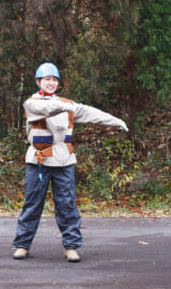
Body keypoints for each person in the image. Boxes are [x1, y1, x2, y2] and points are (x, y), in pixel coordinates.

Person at [11, 62, 128, 263]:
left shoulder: (67, 104)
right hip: (38, 160)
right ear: (39, 81)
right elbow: (46, 108)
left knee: (66, 205)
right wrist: (65, 105)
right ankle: (22, 244)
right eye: (46, 79)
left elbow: (91, 113)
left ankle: (71, 246)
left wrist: (116, 121)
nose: (51, 83)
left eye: (54, 80)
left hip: (63, 161)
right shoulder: (32, 103)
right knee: (32, 204)